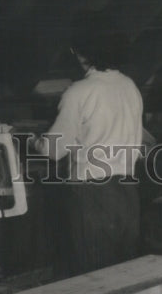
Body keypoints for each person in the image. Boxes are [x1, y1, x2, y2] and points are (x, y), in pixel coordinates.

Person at [31, 22, 144, 278]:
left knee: (92, 276)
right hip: (127, 192)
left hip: (91, 195)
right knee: (125, 273)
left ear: (80, 53)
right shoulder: (129, 86)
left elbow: (52, 151)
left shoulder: (79, 91)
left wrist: (28, 139)